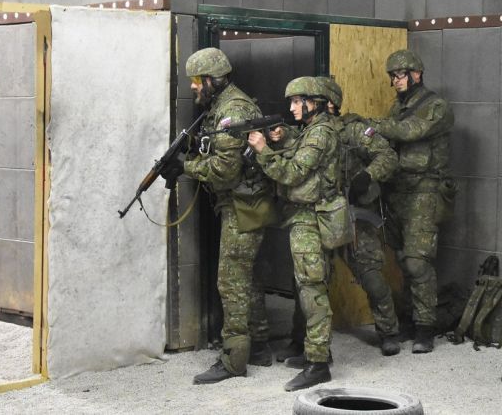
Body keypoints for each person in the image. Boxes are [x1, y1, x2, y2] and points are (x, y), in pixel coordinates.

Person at [162, 47, 276, 384]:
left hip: (243, 206)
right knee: (247, 280)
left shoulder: (233, 109)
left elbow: (225, 170)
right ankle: (258, 347)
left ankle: (234, 360)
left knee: (231, 282)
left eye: (197, 81)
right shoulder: (220, 107)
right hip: (243, 204)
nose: (193, 86)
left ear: (212, 79)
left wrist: (186, 166)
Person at [248, 76, 340, 391]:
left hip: (311, 218)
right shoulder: (311, 130)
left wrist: (263, 150)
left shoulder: (321, 134)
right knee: (305, 286)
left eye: (297, 101)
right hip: (304, 217)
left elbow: (293, 172)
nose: (292, 108)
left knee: (312, 290)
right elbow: (298, 144)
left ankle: (318, 365)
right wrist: (283, 135)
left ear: (314, 102)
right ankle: (313, 351)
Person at [368, 49, 454, 353]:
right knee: (404, 259)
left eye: (401, 75)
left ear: (417, 74)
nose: (396, 81)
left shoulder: (437, 106)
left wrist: (372, 125)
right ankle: (409, 319)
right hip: (399, 190)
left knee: (418, 262)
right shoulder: (397, 107)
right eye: (393, 76)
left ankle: (425, 327)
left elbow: (411, 131)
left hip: (425, 191)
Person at [317, 76, 401, 356]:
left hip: (355, 215)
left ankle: (388, 331)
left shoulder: (353, 130)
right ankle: (301, 339)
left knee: (372, 277)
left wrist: (367, 176)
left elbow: (387, 157)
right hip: (322, 215)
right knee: (309, 280)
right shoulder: (307, 133)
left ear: (330, 104)